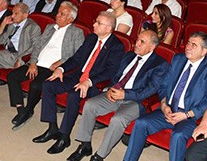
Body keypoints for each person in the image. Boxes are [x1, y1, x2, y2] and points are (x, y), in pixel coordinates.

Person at [33, 11, 125, 155]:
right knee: (48, 85)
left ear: (108, 28)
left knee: (73, 95)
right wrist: (61, 69)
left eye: (98, 23)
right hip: (78, 76)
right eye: (95, 21)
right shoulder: (91, 38)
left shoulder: (116, 46)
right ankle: (52, 128)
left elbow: (111, 71)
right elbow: (76, 59)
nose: (94, 25)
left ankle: (64, 136)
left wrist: (89, 81)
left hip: (95, 83)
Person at [124, 32, 207, 161]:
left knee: (178, 135)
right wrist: (163, 105)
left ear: (204, 51)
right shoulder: (179, 59)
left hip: (191, 116)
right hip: (168, 110)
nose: (188, 47)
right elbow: (164, 85)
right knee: (141, 123)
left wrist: (187, 114)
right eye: (188, 43)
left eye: (194, 45)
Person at [69, 30, 169, 161]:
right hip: (116, 93)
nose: (137, 44)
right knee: (90, 105)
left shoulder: (160, 64)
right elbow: (116, 76)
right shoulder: (129, 56)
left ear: (152, 47)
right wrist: (110, 89)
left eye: (142, 42)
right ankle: (85, 145)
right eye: (137, 39)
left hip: (137, 101)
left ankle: (99, 155)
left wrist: (125, 94)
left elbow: (150, 90)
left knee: (118, 119)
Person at [8, 2, 85, 130]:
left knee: (36, 85)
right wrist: (33, 62)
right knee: (12, 76)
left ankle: (29, 109)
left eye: (62, 14)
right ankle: (21, 109)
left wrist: (60, 62)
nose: (58, 15)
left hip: (51, 68)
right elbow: (38, 46)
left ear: (70, 19)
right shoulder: (50, 27)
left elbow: (77, 54)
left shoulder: (76, 32)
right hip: (37, 63)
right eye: (58, 12)